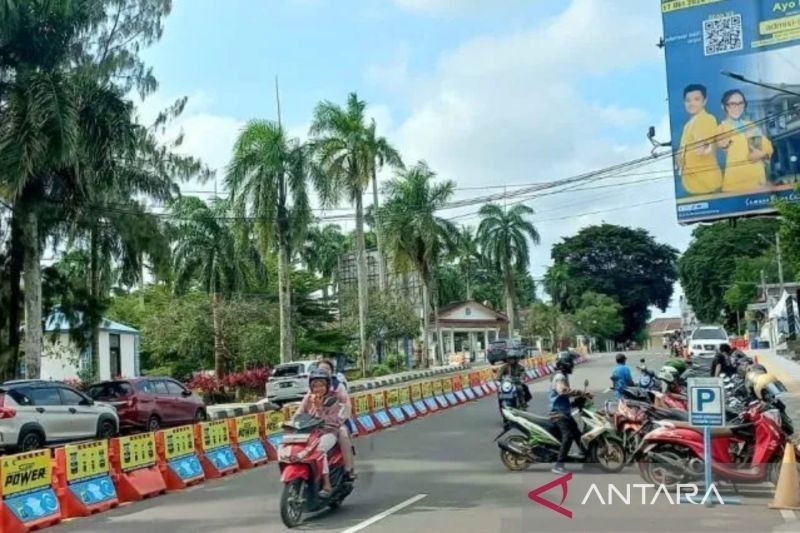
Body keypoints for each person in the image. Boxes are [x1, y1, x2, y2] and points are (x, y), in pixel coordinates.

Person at [294, 369, 344, 498]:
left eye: (321, 385)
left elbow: (333, 421)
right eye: (315, 386)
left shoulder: (333, 400)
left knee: (319, 450)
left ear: (327, 386)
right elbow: (298, 414)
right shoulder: (308, 399)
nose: (318, 389)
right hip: (309, 433)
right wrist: (290, 422)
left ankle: (327, 484)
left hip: (328, 432)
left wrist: (320, 408)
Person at [717, 89, 773, 193]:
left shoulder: (751, 125)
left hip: (759, 183)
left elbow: (767, 147)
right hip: (736, 187)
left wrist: (763, 154)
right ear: (723, 106)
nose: (737, 107)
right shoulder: (721, 129)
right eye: (732, 104)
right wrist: (724, 146)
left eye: (740, 103)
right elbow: (721, 146)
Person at [677, 84, 723, 195]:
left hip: (706, 184)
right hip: (692, 185)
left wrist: (705, 148)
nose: (691, 103)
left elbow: (707, 144)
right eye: (688, 100)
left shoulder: (707, 119)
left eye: (696, 99)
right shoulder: (687, 125)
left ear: (704, 101)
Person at [316, 359, 356, 480]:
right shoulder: (313, 386)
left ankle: (349, 469)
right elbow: (304, 406)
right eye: (320, 369)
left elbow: (346, 405)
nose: (323, 372)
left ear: (331, 372)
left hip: (337, 422)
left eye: (326, 370)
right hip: (319, 423)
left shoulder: (338, 386)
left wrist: (340, 420)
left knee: (343, 434)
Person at [549, 352, 587, 475]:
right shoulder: (559, 377)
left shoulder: (563, 375)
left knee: (577, 434)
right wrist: (580, 392)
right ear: (565, 364)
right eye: (570, 363)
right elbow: (562, 391)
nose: (572, 365)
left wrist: (579, 398)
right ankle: (558, 465)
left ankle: (587, 457)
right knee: (568, 436)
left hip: (565, 411)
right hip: (559, 414)